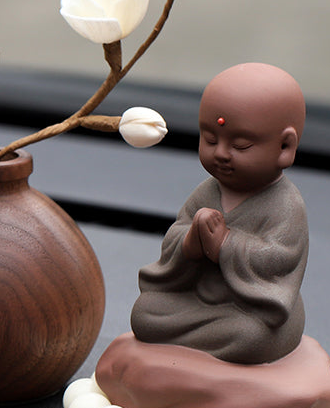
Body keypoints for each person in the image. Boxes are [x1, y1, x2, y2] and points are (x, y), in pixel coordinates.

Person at [130, 63, 308, 364]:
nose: (222, 153)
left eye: (240, 144)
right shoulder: (206, 193)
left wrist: (225, 243)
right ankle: (202, 352)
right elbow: (173, 240)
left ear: (285, 146)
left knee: (252, 337)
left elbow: (280, 259)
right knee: (144, 313)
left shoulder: (286, 205)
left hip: (253, 313)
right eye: (210, 139)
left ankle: (194, 355)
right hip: (197, 302)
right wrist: (191, 240)